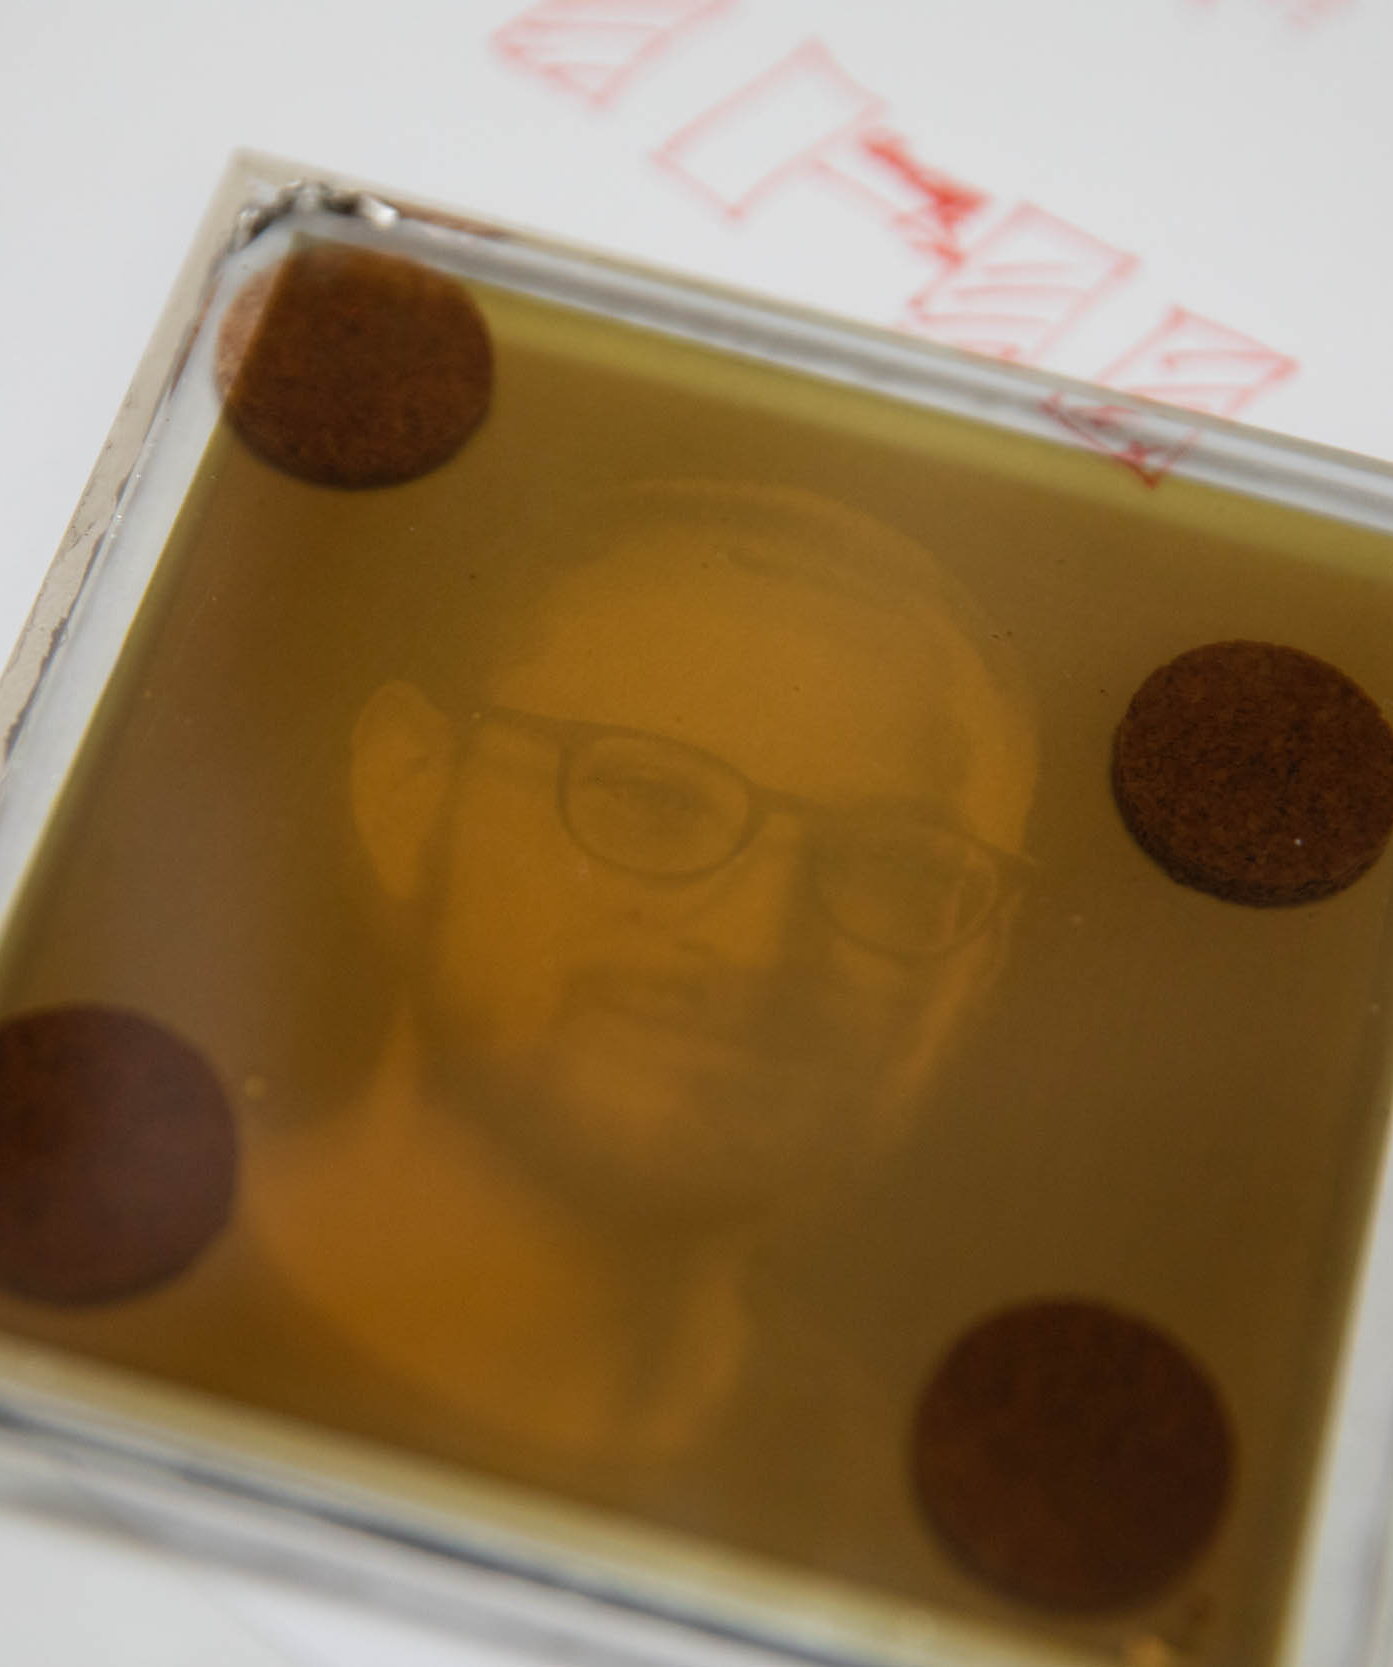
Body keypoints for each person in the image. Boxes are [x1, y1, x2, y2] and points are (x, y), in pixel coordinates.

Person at [220, 479, 1043, 1490]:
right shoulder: (77, 1323)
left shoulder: (916, 1537)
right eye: (650, 797)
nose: (753, 943)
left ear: (982, 959)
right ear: (408, 790)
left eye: (899, 867)